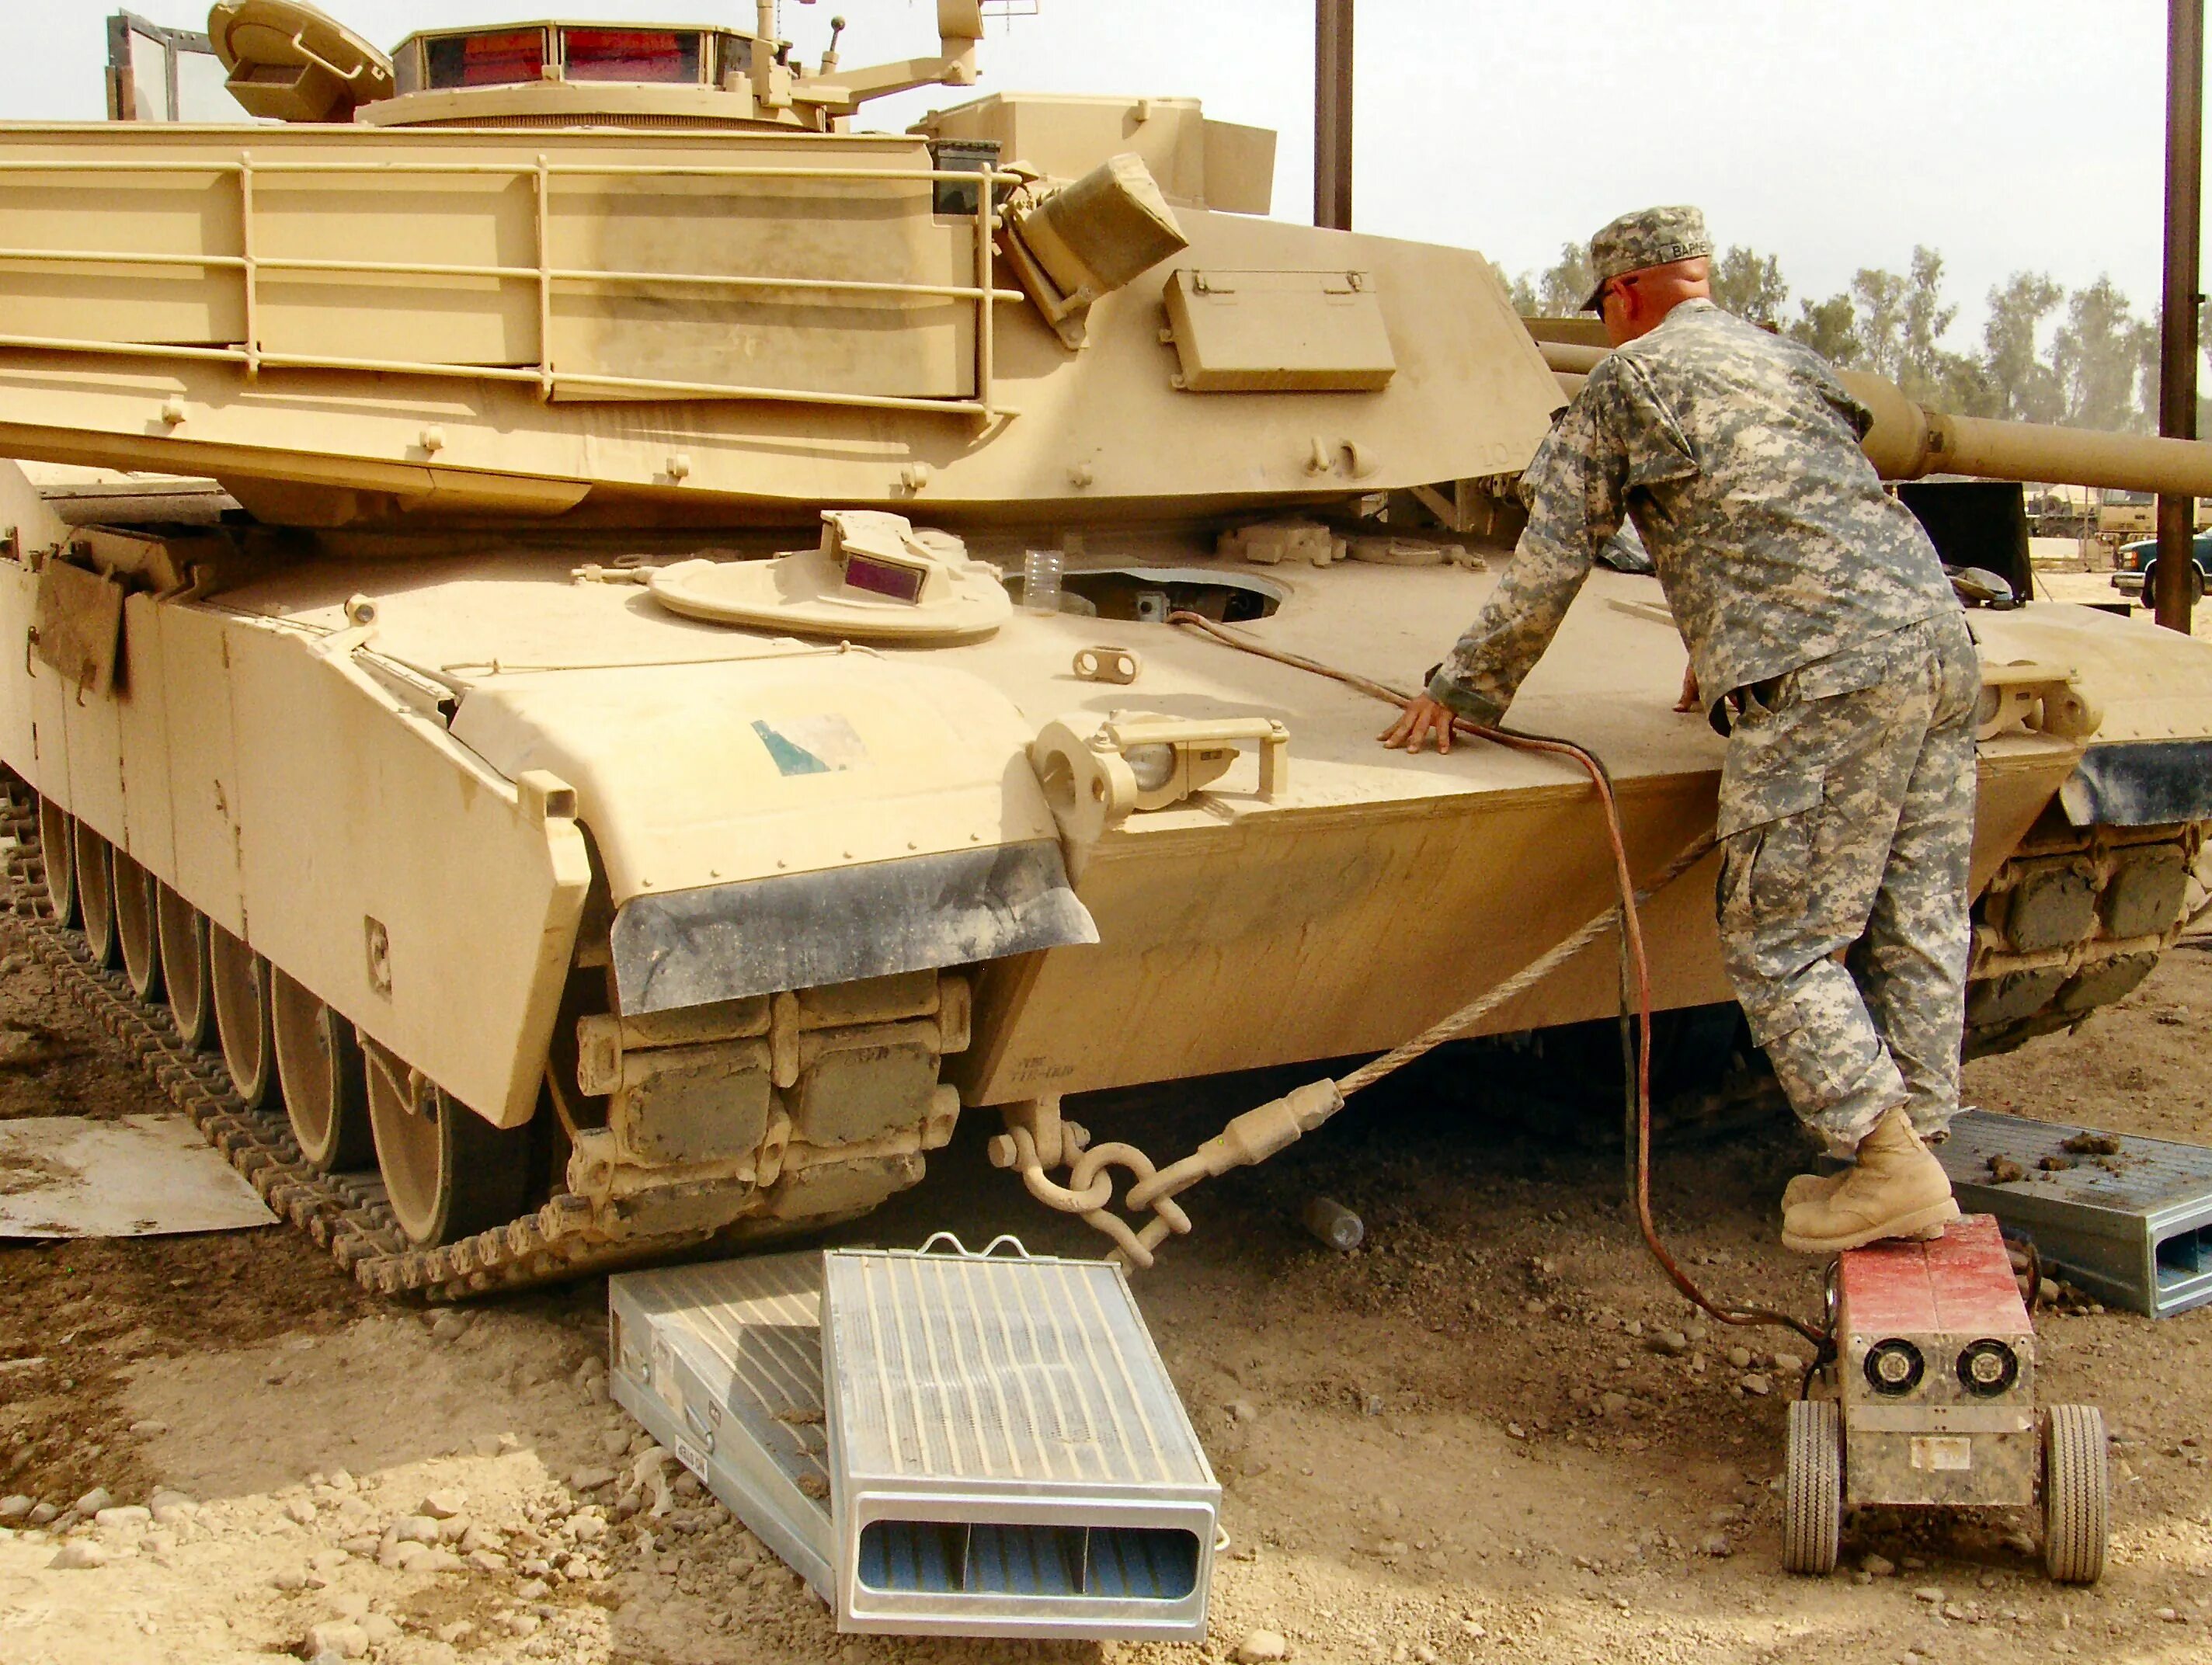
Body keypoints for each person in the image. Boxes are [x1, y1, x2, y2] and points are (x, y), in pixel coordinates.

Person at [1382, 205, 1976, 1256]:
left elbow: (1554, 560)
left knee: (1780, 938)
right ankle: (1915, 1141)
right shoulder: (1788, 361)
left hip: (1821, 672)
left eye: (1607, 310)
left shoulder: (1626, 380)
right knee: (1915, 908)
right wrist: (1718, 636)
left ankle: (1886, 1167)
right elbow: (1792, 507)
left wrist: (1463, 690)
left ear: (1623, 297)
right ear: (1702, 278)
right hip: (1933, 639)